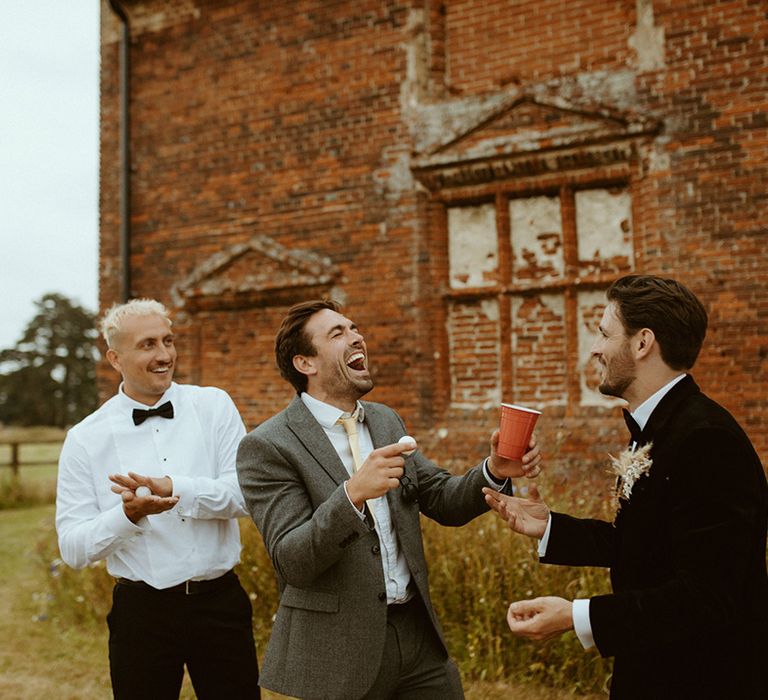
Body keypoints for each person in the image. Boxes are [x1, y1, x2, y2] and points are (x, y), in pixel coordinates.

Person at [236, 299, 542, 700]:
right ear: (305, 363)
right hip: (337, 651)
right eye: (337, 333)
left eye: (354, 327)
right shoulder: (268, 446)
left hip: (417, 638)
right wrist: (352, 495)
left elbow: (441, 498)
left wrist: (496, 469)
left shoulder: (385, 420)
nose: (356, 336)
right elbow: (292, 560)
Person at [484, 275, 768, 699]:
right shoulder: (662, 428)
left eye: (603, 333)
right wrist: (551, 528)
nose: (595, 349)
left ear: (642, 343)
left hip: (703, 677)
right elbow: (647, 546)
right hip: (655, 669)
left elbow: (708, 595)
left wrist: (577, 616)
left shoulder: (707, 440)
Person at [56, 299, 260, 700]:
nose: (165, 354)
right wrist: (127, 517)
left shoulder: (214, 406)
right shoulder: (84, 438)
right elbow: (73, 548)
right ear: (115, 358)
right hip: (141, 614)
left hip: (220, 603)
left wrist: (175, 487)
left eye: (168, 340)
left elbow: (247, 496)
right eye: (148, 344)